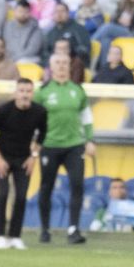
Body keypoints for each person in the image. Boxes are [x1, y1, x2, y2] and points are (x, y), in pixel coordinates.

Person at [33, 52, 93, 244]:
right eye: (57, 63)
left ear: (69, 66)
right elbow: (33, 119)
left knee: (77, 185)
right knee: (46, 187)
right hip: (49, 145)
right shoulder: (42, 92)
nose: (61, 66)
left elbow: (86, 117)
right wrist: (34, 142)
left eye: (64, 63)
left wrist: (89, 140)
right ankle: (45, 229)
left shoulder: (77, 90)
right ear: (51, 66)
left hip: (74, 146)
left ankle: (73, 229)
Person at [0, 76, 46, 250]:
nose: (25, 95)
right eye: (21, 91)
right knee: (3, 194)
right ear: (15, 92)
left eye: (28, 91)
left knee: (21, 197)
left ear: (32, 92)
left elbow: (42, 135)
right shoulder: (3, 111)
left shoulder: (40, 112)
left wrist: (33, 156)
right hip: (3, 157)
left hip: (24, 159)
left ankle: (15, 236)